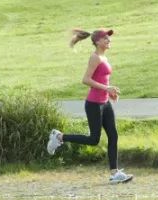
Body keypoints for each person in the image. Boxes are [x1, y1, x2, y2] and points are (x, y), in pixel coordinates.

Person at [46, 28, 133, 184]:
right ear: (97, 41)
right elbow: (85, 80)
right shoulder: (95, 58)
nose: (109, 40)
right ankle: (59, 137)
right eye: (105, 38)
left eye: (109, 38)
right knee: (94, 139)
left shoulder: (104, 57)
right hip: (94, 104)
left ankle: (114, 173)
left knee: (113, 135)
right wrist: (107, 89)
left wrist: (110, 92)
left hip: (105, 103)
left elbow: (102, 79)